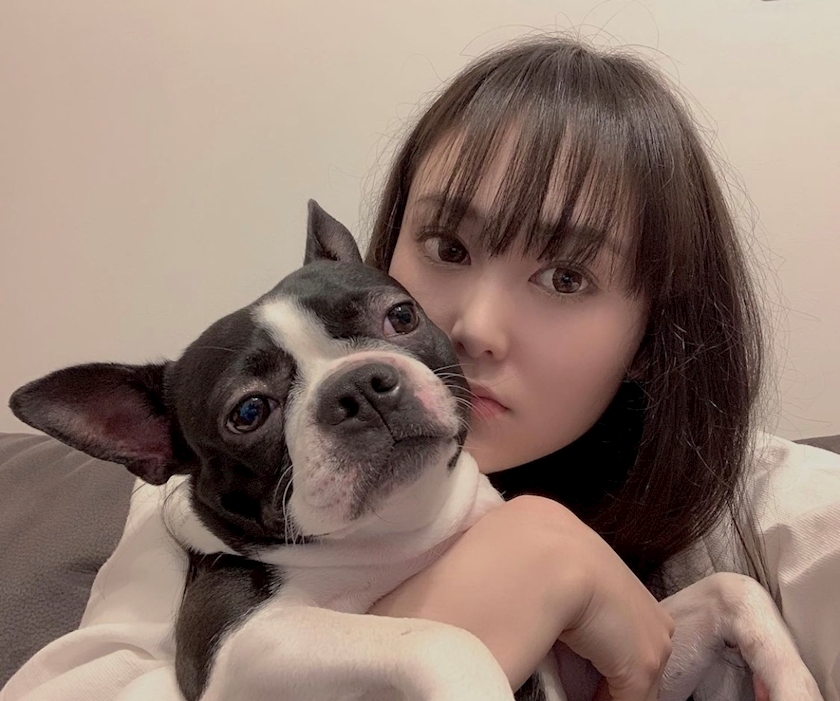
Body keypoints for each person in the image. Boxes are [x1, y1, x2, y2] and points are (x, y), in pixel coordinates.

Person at [3, 35, 839, 701]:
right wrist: (467, 621)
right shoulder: (182, 525)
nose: (475, 327)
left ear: (655, 329)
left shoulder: (778, 516)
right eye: (447, 246)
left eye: (566, 276)